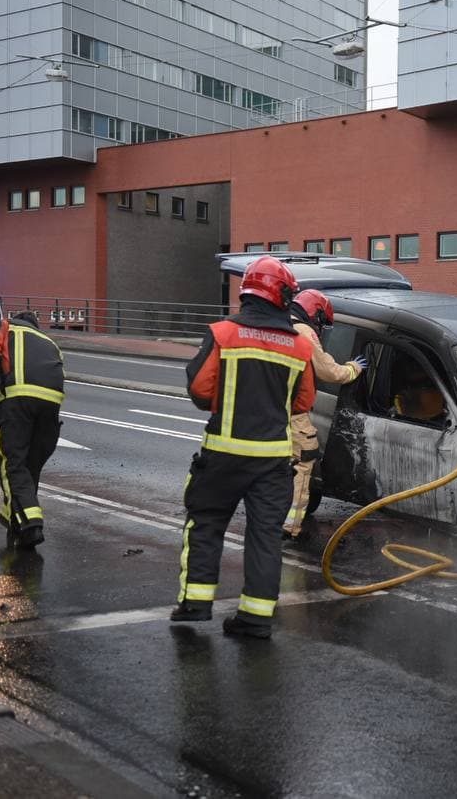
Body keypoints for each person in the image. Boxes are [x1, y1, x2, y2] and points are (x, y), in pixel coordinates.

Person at [172, 256, 315, 639]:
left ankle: (196, 604)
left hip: (223, 456)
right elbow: (303, 402)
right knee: (265, 536)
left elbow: (200, 390)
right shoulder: (300, 347)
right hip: (272, 462)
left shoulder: (222, 333)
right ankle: (255, 618)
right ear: (280, 295)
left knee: (206, 524)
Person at [0, 310, 65, 550]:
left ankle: (32, 523)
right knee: (29, 465)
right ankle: (17, 520)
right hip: (51, 407)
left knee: (12, 462)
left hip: (18, 401)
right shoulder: (49, 342)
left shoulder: (4, 326)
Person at [283, 288, 365, 538]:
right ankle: (289, 527)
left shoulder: (278, 325)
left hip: (268, 413)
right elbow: (329, 371)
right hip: (294, 416)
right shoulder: (304, 332)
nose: (322, 329)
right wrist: (353, 368)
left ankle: (267, 520)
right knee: (301, 467)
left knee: (274, 468)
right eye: (322, 323)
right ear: (315, 314)